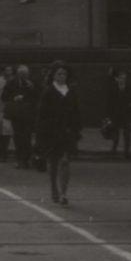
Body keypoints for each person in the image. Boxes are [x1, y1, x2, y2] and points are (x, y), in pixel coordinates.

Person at [35, 61, 82, 205]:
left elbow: (76, 112)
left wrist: (76, 129)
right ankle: (53, 189)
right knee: (53, 162)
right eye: (59, 74)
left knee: (65, 161)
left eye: (64, 74)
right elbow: (42, 114)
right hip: (52, 132)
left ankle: (63, 193)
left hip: (67, 132)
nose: (62, 77)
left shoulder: (71, 91)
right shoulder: (48, 92)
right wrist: (42, 132)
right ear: (53, 76)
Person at [2, 64, 38, 168]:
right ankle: (20, 159)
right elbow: (4, 96)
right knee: (18, 137)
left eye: (25, 74)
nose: (24, 76)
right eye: (21, 74)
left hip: (28, 113)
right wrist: (14, 98)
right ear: (18, 74)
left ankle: (27, 159)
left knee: (27, 136)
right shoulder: (11, 83)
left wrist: (33, 88)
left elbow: (38, 96)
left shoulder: (33, 83)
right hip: (16, 113)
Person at [106, 68, 131, 159]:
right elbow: (109, 102)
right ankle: (114, 149)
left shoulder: (130, 88)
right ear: (117, 79)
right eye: (121, 78)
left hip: (126, 114)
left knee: (127, 134)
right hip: (116, 114)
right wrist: (109, 116)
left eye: (124, 78)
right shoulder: (113, 88)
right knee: (115, 133)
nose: (123, 80)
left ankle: (127, 152)